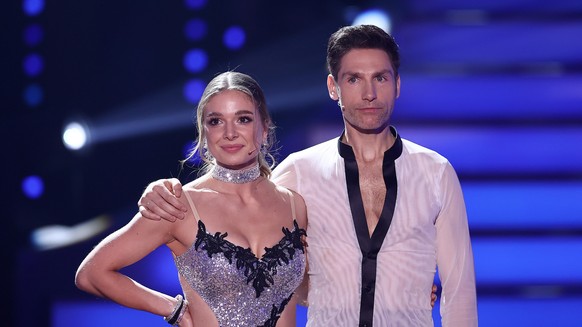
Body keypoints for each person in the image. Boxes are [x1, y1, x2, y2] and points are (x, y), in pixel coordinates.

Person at [139, 25, 477, 326]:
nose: (369, 93)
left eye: (381, 78)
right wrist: (163, 190)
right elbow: (265, 263)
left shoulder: (435, 173)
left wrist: (403, 288)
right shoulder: (298, 173)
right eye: (354, 79)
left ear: (397, 84)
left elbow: (459, 290)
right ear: (334, 87)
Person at [75, 71, 308, 327]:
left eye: (243, 119)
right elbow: (92, 274)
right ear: (203, 134)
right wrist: (174, 310)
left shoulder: (294, 205)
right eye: (216, 121)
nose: (229, 133)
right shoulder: (179, 204)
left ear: (264, 129)